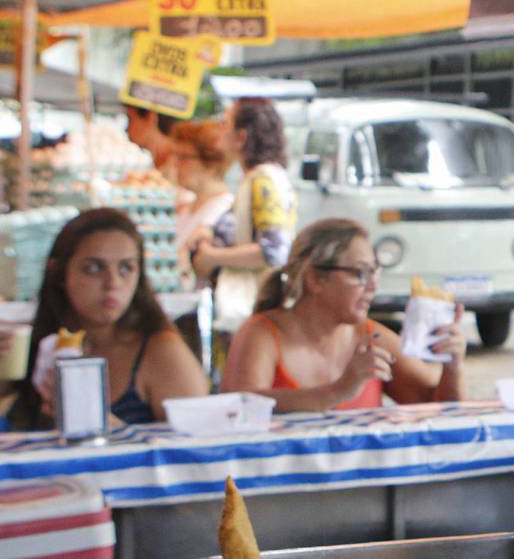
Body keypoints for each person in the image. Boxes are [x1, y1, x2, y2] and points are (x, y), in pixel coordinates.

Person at [220, 218, 467, 411]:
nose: (372, 286)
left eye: (374, 273)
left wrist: (453, 367)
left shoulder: (372, 337)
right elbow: (240, 407)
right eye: (360, 274)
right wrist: (337, 392)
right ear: (315, 278)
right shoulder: (262, 333)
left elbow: (439, 411)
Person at [3, 209, 208, 428]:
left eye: (126, 268)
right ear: (59, 273)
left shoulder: (162, 351)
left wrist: (103, 425)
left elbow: (195, 451)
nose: (112, 283)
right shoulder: (34, 346)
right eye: (94, 268)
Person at [190, 98, 297, 335]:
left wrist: (213, 257)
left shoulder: (264, 180)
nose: (219, 127)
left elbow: (274, 251)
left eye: (225, 122)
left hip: (254, 308)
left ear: (242, 136)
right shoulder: (255, 179)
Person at [172, 120, 235, 256]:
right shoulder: (186, 206)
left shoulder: (223, 213)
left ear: (212, 164)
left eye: (184, 157)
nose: (176, 164)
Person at [124, 104, 178, 178]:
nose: (126, 130)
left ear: (151, 117)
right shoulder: (156, 164)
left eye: (130, 120)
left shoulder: (178, 165)